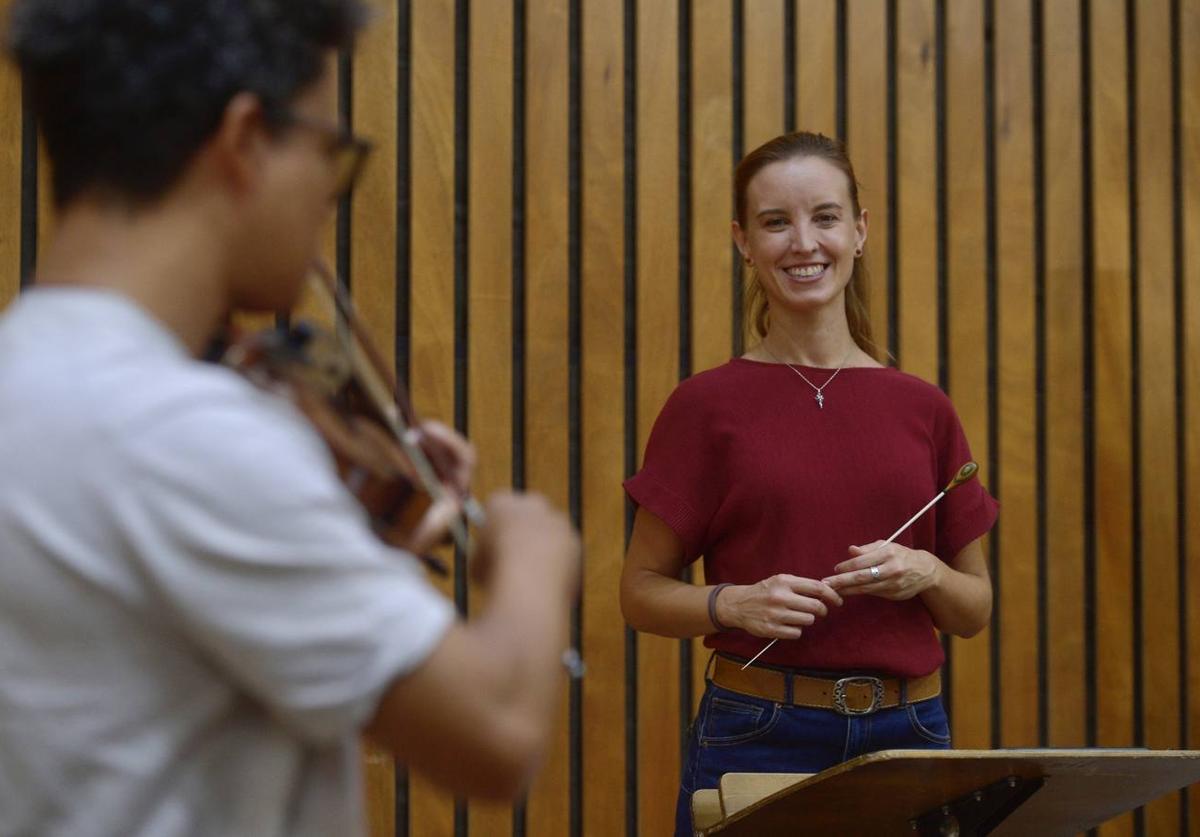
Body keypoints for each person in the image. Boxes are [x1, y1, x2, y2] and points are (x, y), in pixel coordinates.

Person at [0, 2, 579, 836]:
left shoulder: (35, 374)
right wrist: (532, 553)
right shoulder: (187, 432)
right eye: (329, 153)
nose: (327, 197)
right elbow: (496, 733)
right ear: (243, 140)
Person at [620, 131, 998, 836]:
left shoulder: (925, 407)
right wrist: (731, 602)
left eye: (824, 217)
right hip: (758, 731)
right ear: (743, 241)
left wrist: (925, 571)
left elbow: (973, 609)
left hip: (910, 732)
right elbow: (639, 592)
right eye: (775, 222)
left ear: (859, 232)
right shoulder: (704, 406)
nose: (804, 242)